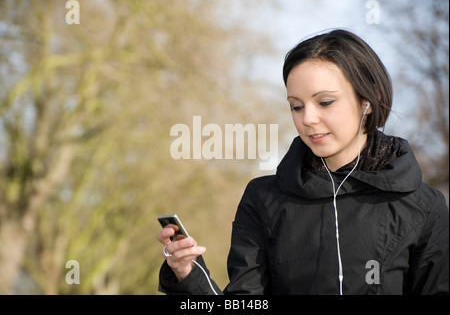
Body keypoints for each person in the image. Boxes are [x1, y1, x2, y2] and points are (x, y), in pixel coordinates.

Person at [156, 29, 449, 295]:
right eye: (296, 106)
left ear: (368, 100)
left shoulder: (424, 206)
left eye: (324, 102)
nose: (307, 118)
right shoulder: (262, 199)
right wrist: (187, 274)